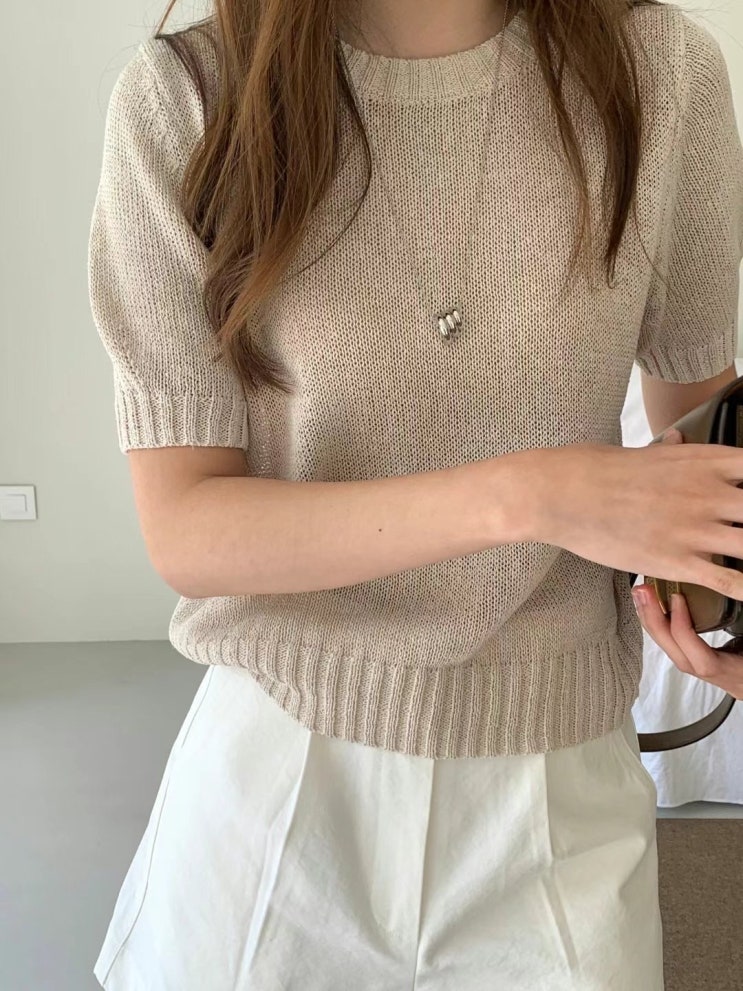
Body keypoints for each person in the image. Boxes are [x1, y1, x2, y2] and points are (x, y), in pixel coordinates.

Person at [88, 0, 743, 987]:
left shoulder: (662, 75)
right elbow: (187, 526)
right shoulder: (190, 99)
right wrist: (528, 494)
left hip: (558, 787)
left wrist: (723, 598)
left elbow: (701, 439)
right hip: (282, 783)